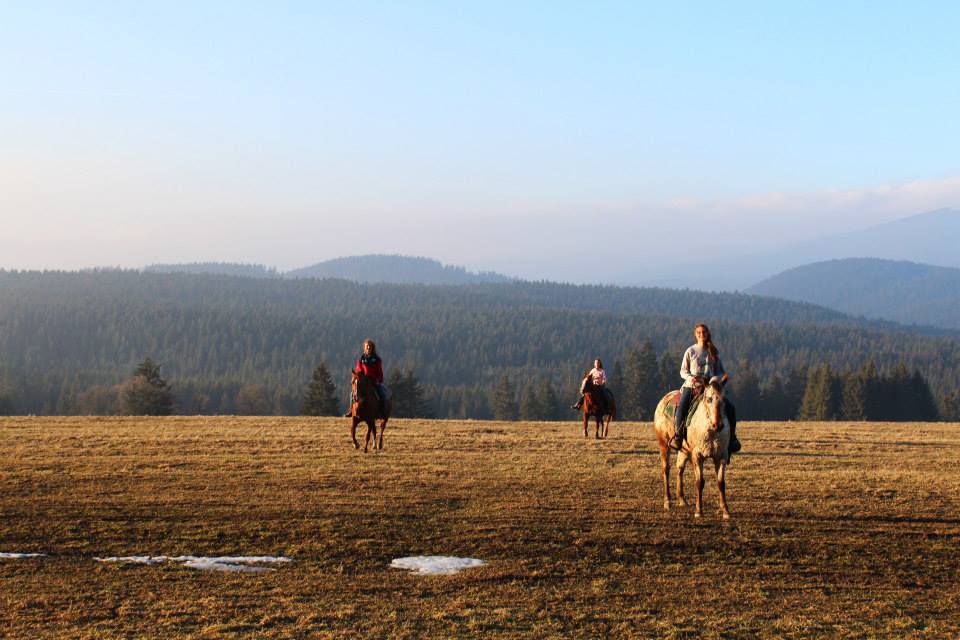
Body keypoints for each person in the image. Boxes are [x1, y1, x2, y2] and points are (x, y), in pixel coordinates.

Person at [668, 324, 741, 453]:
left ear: (708, 334)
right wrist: (690, 377)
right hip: (692, 386)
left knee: (730, 408)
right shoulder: (690, 351)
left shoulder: (713, 352)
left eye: (704, 332)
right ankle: (678, 437)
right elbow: (683, 371)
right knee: (681, 408)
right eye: (699, 333)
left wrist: (716, 379)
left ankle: (732, 439)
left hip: (710, 389)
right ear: (696, 335)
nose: (702, 335)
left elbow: (720, 372)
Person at [345, 339, 390, 416]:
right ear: (364, 348)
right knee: (352, 394)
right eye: (367, 346)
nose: (368, 347)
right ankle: (351, 410)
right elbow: (358, 369)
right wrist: (358, 375)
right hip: (364, 382)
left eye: (370, 346)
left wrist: (378, 380)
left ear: (372, 348)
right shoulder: (361, 359)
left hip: (374, 381)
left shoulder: (376, 359)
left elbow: (379, 371)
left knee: (382, 393)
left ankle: (383, 411)